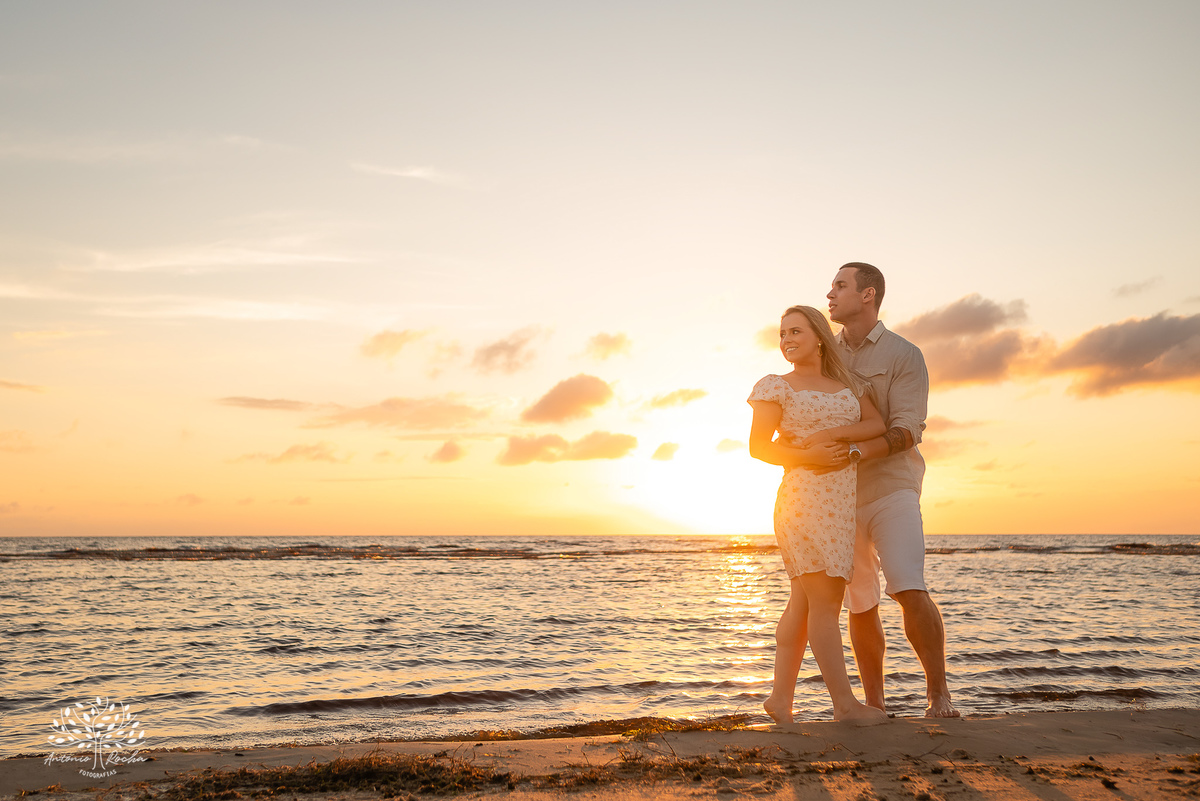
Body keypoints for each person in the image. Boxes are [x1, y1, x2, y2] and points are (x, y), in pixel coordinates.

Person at [825, 262, 959, 718]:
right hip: (837, 496)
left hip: (892, 488)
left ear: (868, 295)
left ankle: (938, 694)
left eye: (840, 285)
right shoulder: (825, 354)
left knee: (907, 585)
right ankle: (875, 704)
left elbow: (907, 430)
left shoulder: (904, 354)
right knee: (860, 601)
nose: (830, 294)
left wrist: (856, 452)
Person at [747, 305, 889, 725]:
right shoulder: (776, 386)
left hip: (839, 505)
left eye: (796, 331)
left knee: (803, 603)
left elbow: (876, 425)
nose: (787, 340)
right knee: (825, 602)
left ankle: (780, 700)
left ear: (820, 338)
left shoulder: (848, 384)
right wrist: (810, 455)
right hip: (802, 501)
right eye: (782, 334)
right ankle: (844, 706)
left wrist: (832, 434)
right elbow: (759, 447)